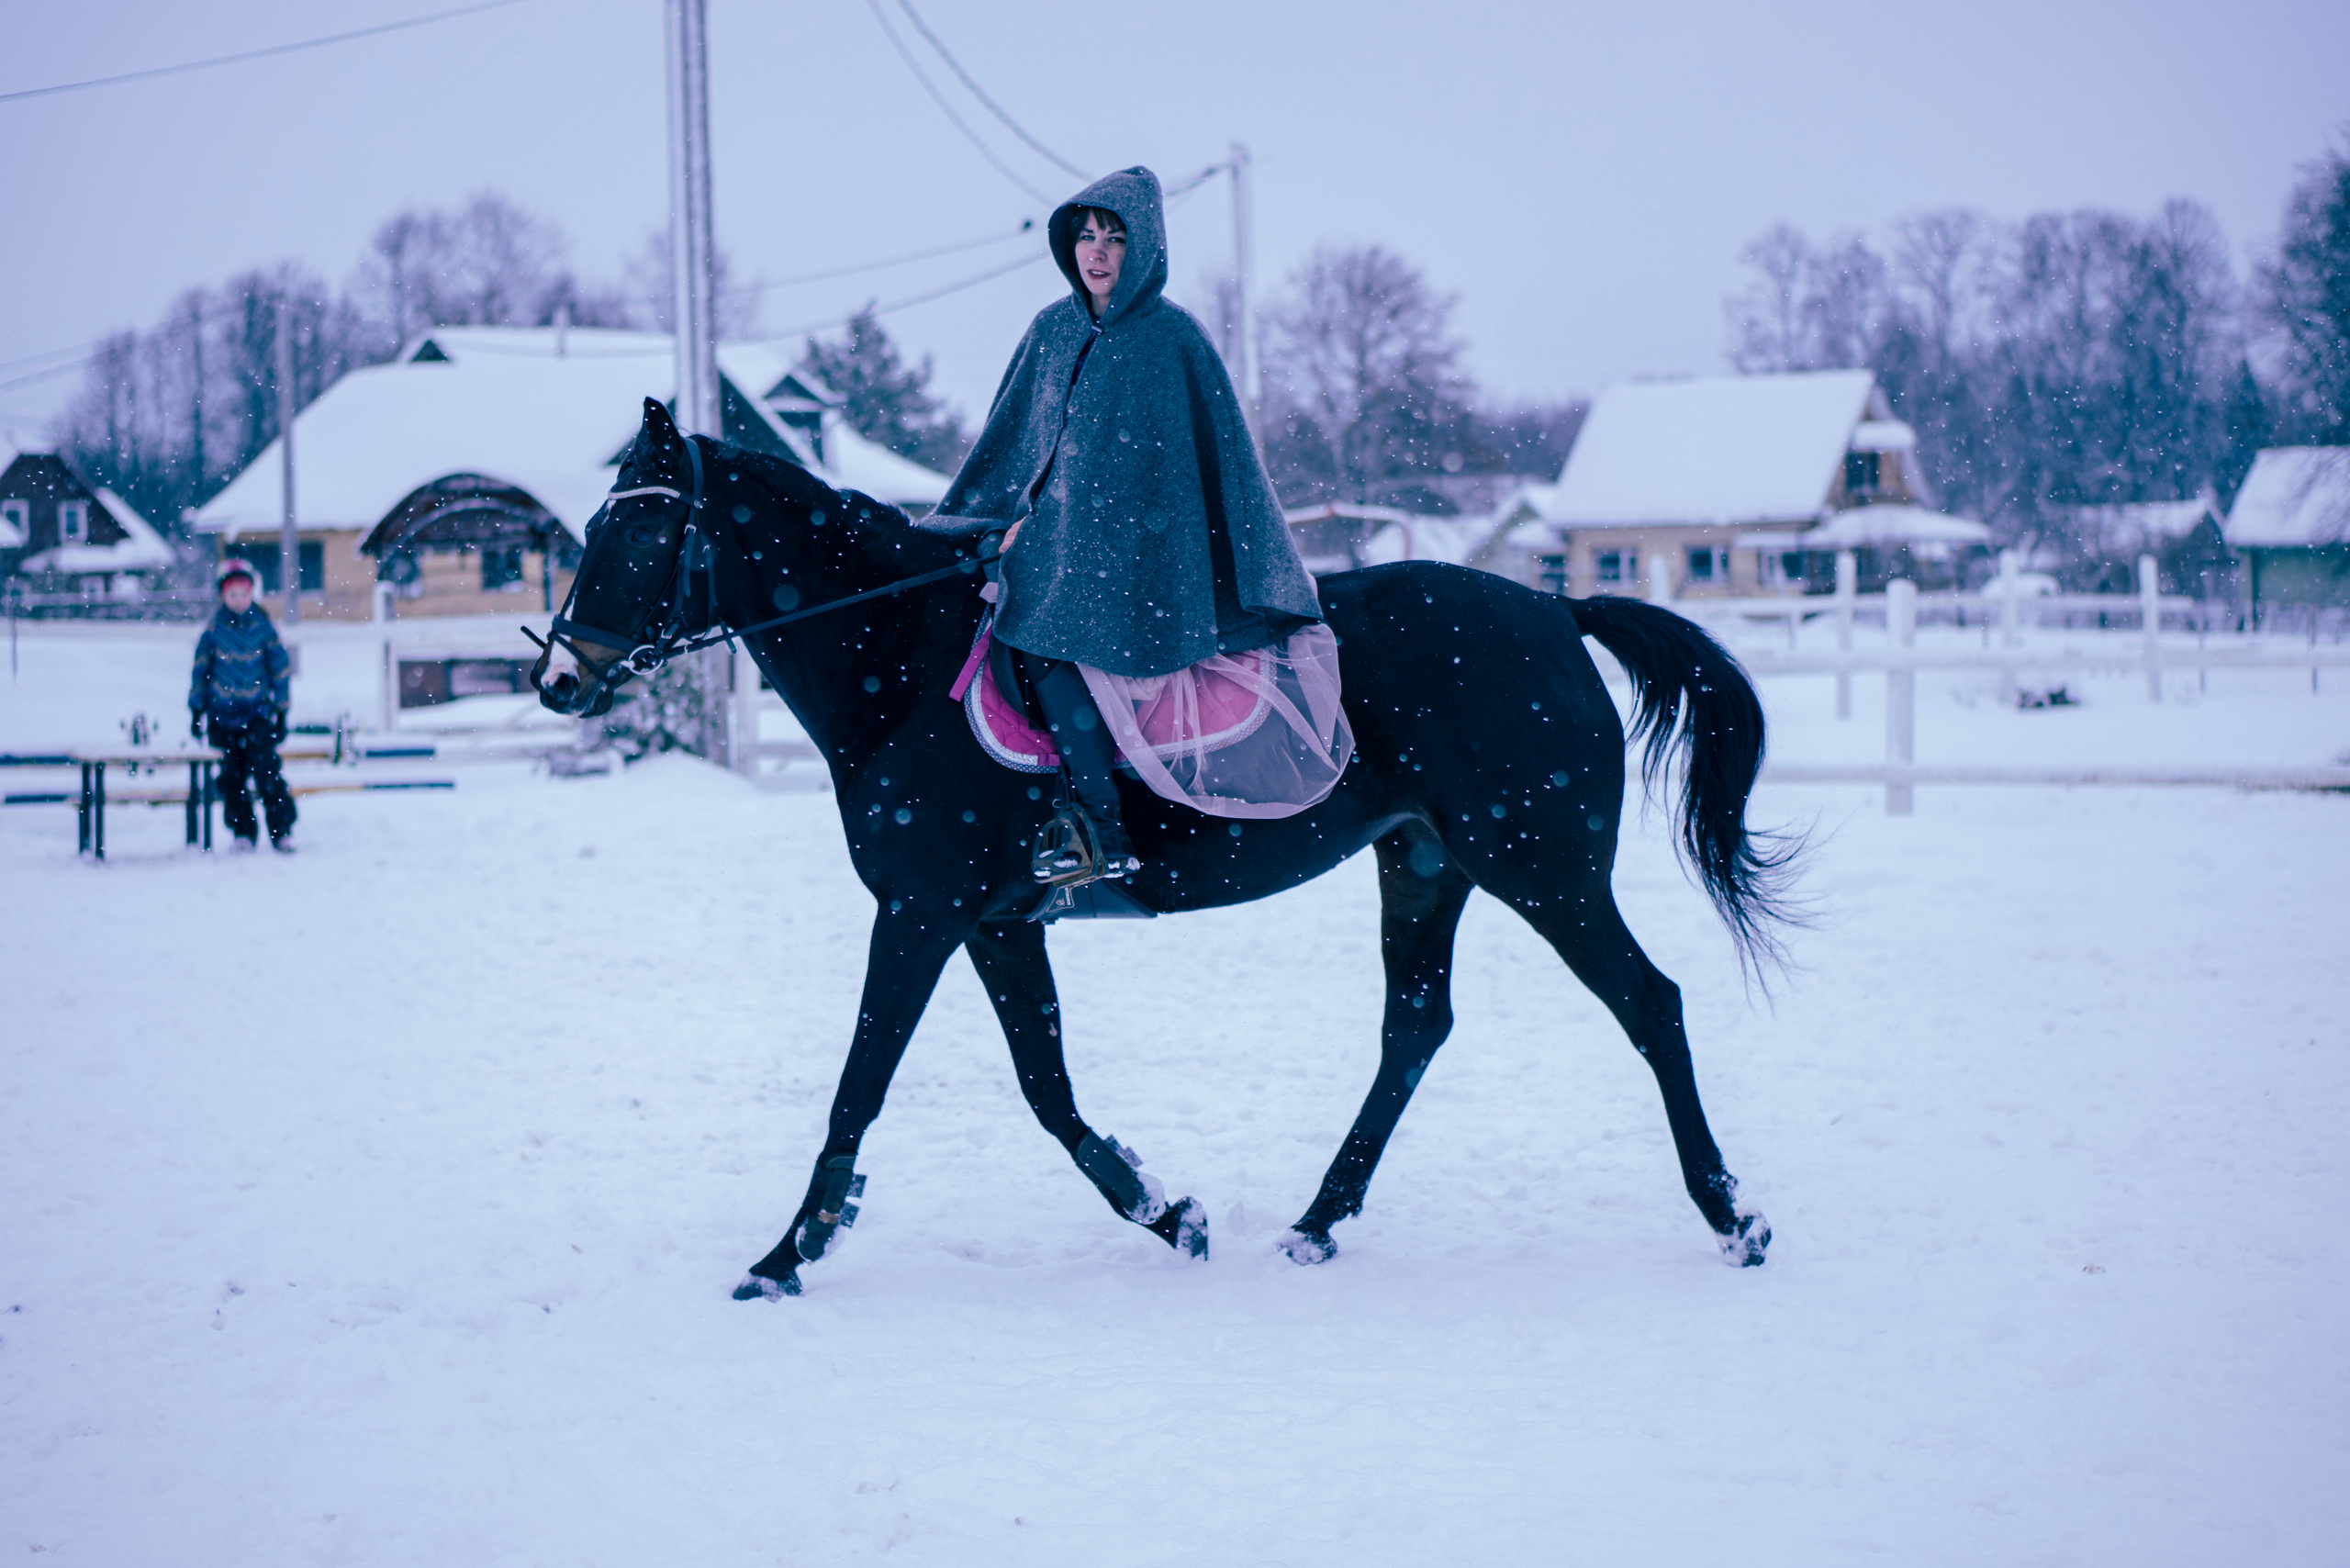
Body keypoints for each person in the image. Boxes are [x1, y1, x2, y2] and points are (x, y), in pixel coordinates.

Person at [922, 166, 1328, 887]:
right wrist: (998, 522)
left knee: (1040, 631)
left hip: (1141, 560)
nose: (1098, 253)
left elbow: (1178, 475)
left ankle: (1100, 825)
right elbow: (1015, 446)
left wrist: (1050, 538)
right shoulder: (1051, 330)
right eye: (1086, 236)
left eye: (1115, 237)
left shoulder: (1171, 340)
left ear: (1144, 248)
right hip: (1049, 545)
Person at [189, 558, 297, 852]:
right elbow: (201, 669)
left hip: (257, 715)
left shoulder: (263, 628)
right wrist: (197, 707)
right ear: (223, 596)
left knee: (267, 773)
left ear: (252, 595)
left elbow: (280, 669)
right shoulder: (214, 631)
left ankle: (281, 829)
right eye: (232, 594)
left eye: (244, 594)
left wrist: (282, 709)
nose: (238, 601)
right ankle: (242, 831)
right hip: (223, 717)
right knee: (231, 778)